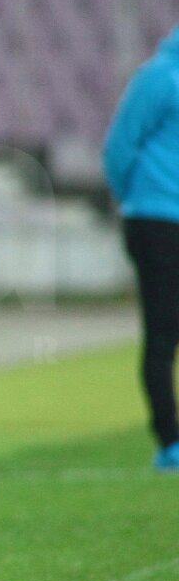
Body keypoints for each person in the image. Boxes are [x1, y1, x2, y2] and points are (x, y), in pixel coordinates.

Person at [104, 25, 179, 472]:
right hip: (155, 221)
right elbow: (121, 147)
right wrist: (135, 200)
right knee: (164, 330)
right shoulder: (160, 78)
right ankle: (170, 440)